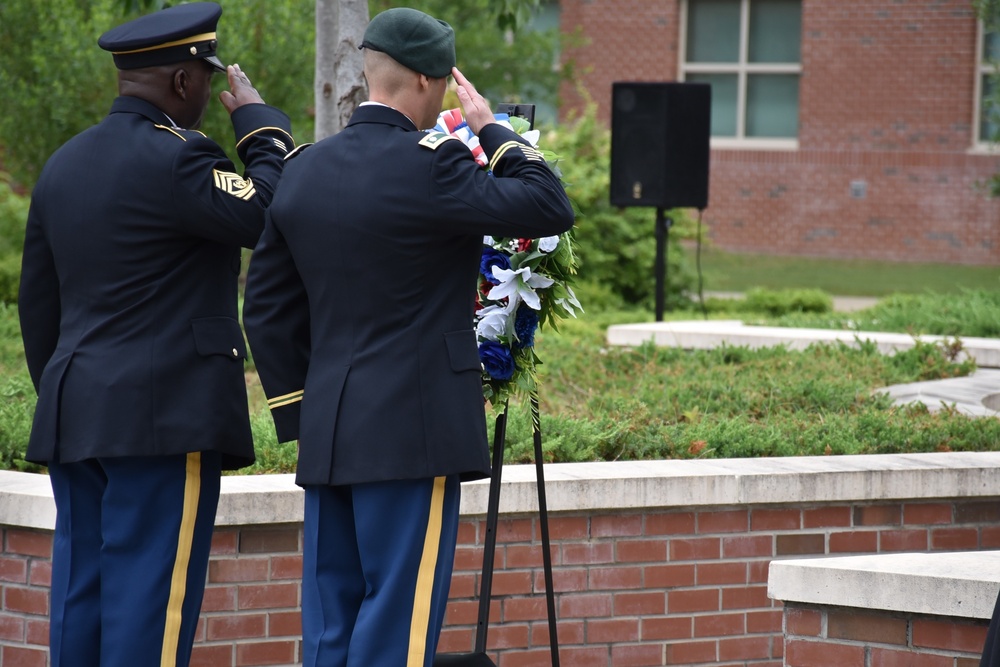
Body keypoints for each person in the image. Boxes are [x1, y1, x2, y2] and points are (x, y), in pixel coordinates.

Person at [241, 7, 574, 666]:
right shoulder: (435, 166)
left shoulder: (304, 168)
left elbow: (266, 307)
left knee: (331, 627)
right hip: (412, 433)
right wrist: (493, 130)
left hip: (329, 436)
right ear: (428, 81)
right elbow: (547, 204)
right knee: (395, 625)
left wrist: (302, 410)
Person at [17, 3, 294, 665]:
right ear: (181, 82)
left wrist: (71, 385)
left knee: (80, 595)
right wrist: (259, 127)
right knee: (151, 601)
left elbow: (38, 302)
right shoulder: (181, 159)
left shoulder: (63, 165)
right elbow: (269, 211)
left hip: (75, 411)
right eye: (204, 78)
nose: (206, 92)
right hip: (163, 417)